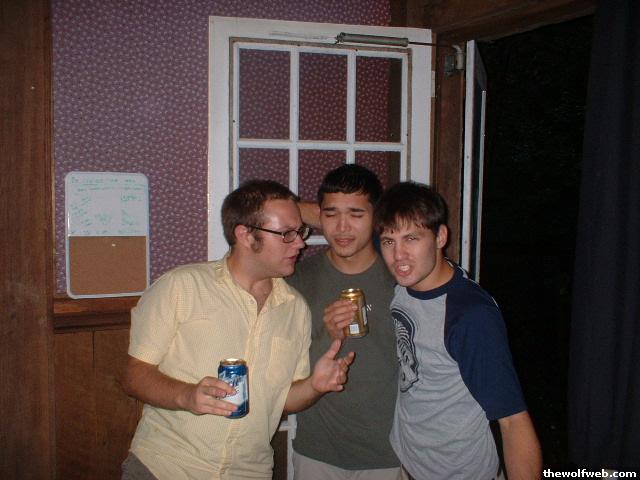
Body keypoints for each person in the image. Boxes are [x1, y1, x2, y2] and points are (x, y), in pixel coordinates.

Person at [121, 180, 355, 480]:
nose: (300, 244)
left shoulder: (295, 309)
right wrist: (187, 396)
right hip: (165, 467)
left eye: (300, 232)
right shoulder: (181, 286)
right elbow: (134, 376)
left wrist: (315, 386)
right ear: (245, 235)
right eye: (287, 234)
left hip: (248, 472)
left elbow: (283, 399)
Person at [375, 181, 542, 480]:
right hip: (409, 464)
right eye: (389, 241)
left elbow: (513, 422)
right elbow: (351, 227)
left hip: (458, 472)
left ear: (440, 236)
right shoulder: (409, 279)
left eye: (411, 238)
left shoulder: (470, 316)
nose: (398, 255)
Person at [287, 164, 401, 479]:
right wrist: (328, 334)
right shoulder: (298, 278)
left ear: (377, 217)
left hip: (388, 451)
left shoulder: (401, 277)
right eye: (331, 214)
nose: (342, 227)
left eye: (356, 214)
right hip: (317, 450)